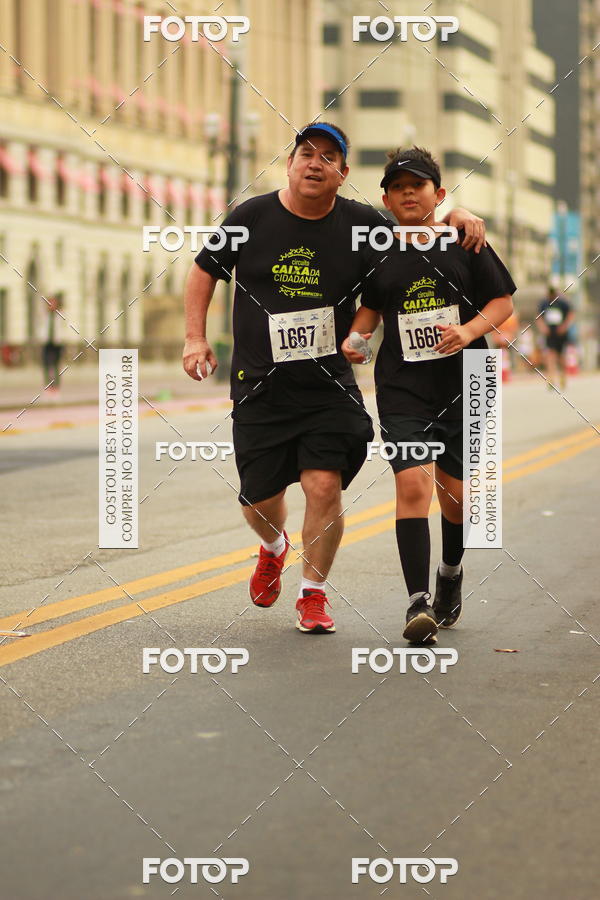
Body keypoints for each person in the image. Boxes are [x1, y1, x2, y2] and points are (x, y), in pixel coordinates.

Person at [183, 124, 486, 635]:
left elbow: (418, 230)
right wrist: (194, 337)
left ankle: (314, 594)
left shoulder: (364, 225)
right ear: (290, 162)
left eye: (328, 157)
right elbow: (203, 270)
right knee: (258, 501)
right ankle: (274, 546)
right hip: (259, 386)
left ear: (343, 174)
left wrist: (457, 215)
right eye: (306, 153)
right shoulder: (251, 217)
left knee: (323, 485)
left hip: (327, 388)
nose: (315, 163)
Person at [342, 147, 516, 643]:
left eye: (417, 186)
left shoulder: (465, 242)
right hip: (403, 389)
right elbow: (371, 309)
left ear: (438, 195)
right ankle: (417, 603)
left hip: (466, 383)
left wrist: (466, 331)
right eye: (398, 188)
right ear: (387, 200)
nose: (407, 194)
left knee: (456, 498)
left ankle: (450, 574)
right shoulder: (379, 250)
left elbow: (502, 301)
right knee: (413, 485)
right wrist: (355, 340)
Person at [536, 284, 575, 390]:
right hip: (550, 333)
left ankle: (563, 376)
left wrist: (564, 326)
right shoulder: (544, 303)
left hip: (561, 333)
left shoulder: (562, 303)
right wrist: (543, 328)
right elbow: (539, 317)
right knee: (550, 355)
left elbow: (570, 315)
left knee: (561, 356)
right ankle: (551, 379)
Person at [38, 295, 65, 395]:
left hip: (57, 343)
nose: (51, 305)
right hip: (46, 342)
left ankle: (56, 386)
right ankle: (47, 385)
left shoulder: (60, 315)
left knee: (55, 365)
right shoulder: (44, 315)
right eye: (49, 303)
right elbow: (40, 328)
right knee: (46, 364)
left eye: (53, 303)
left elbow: (64, 328)